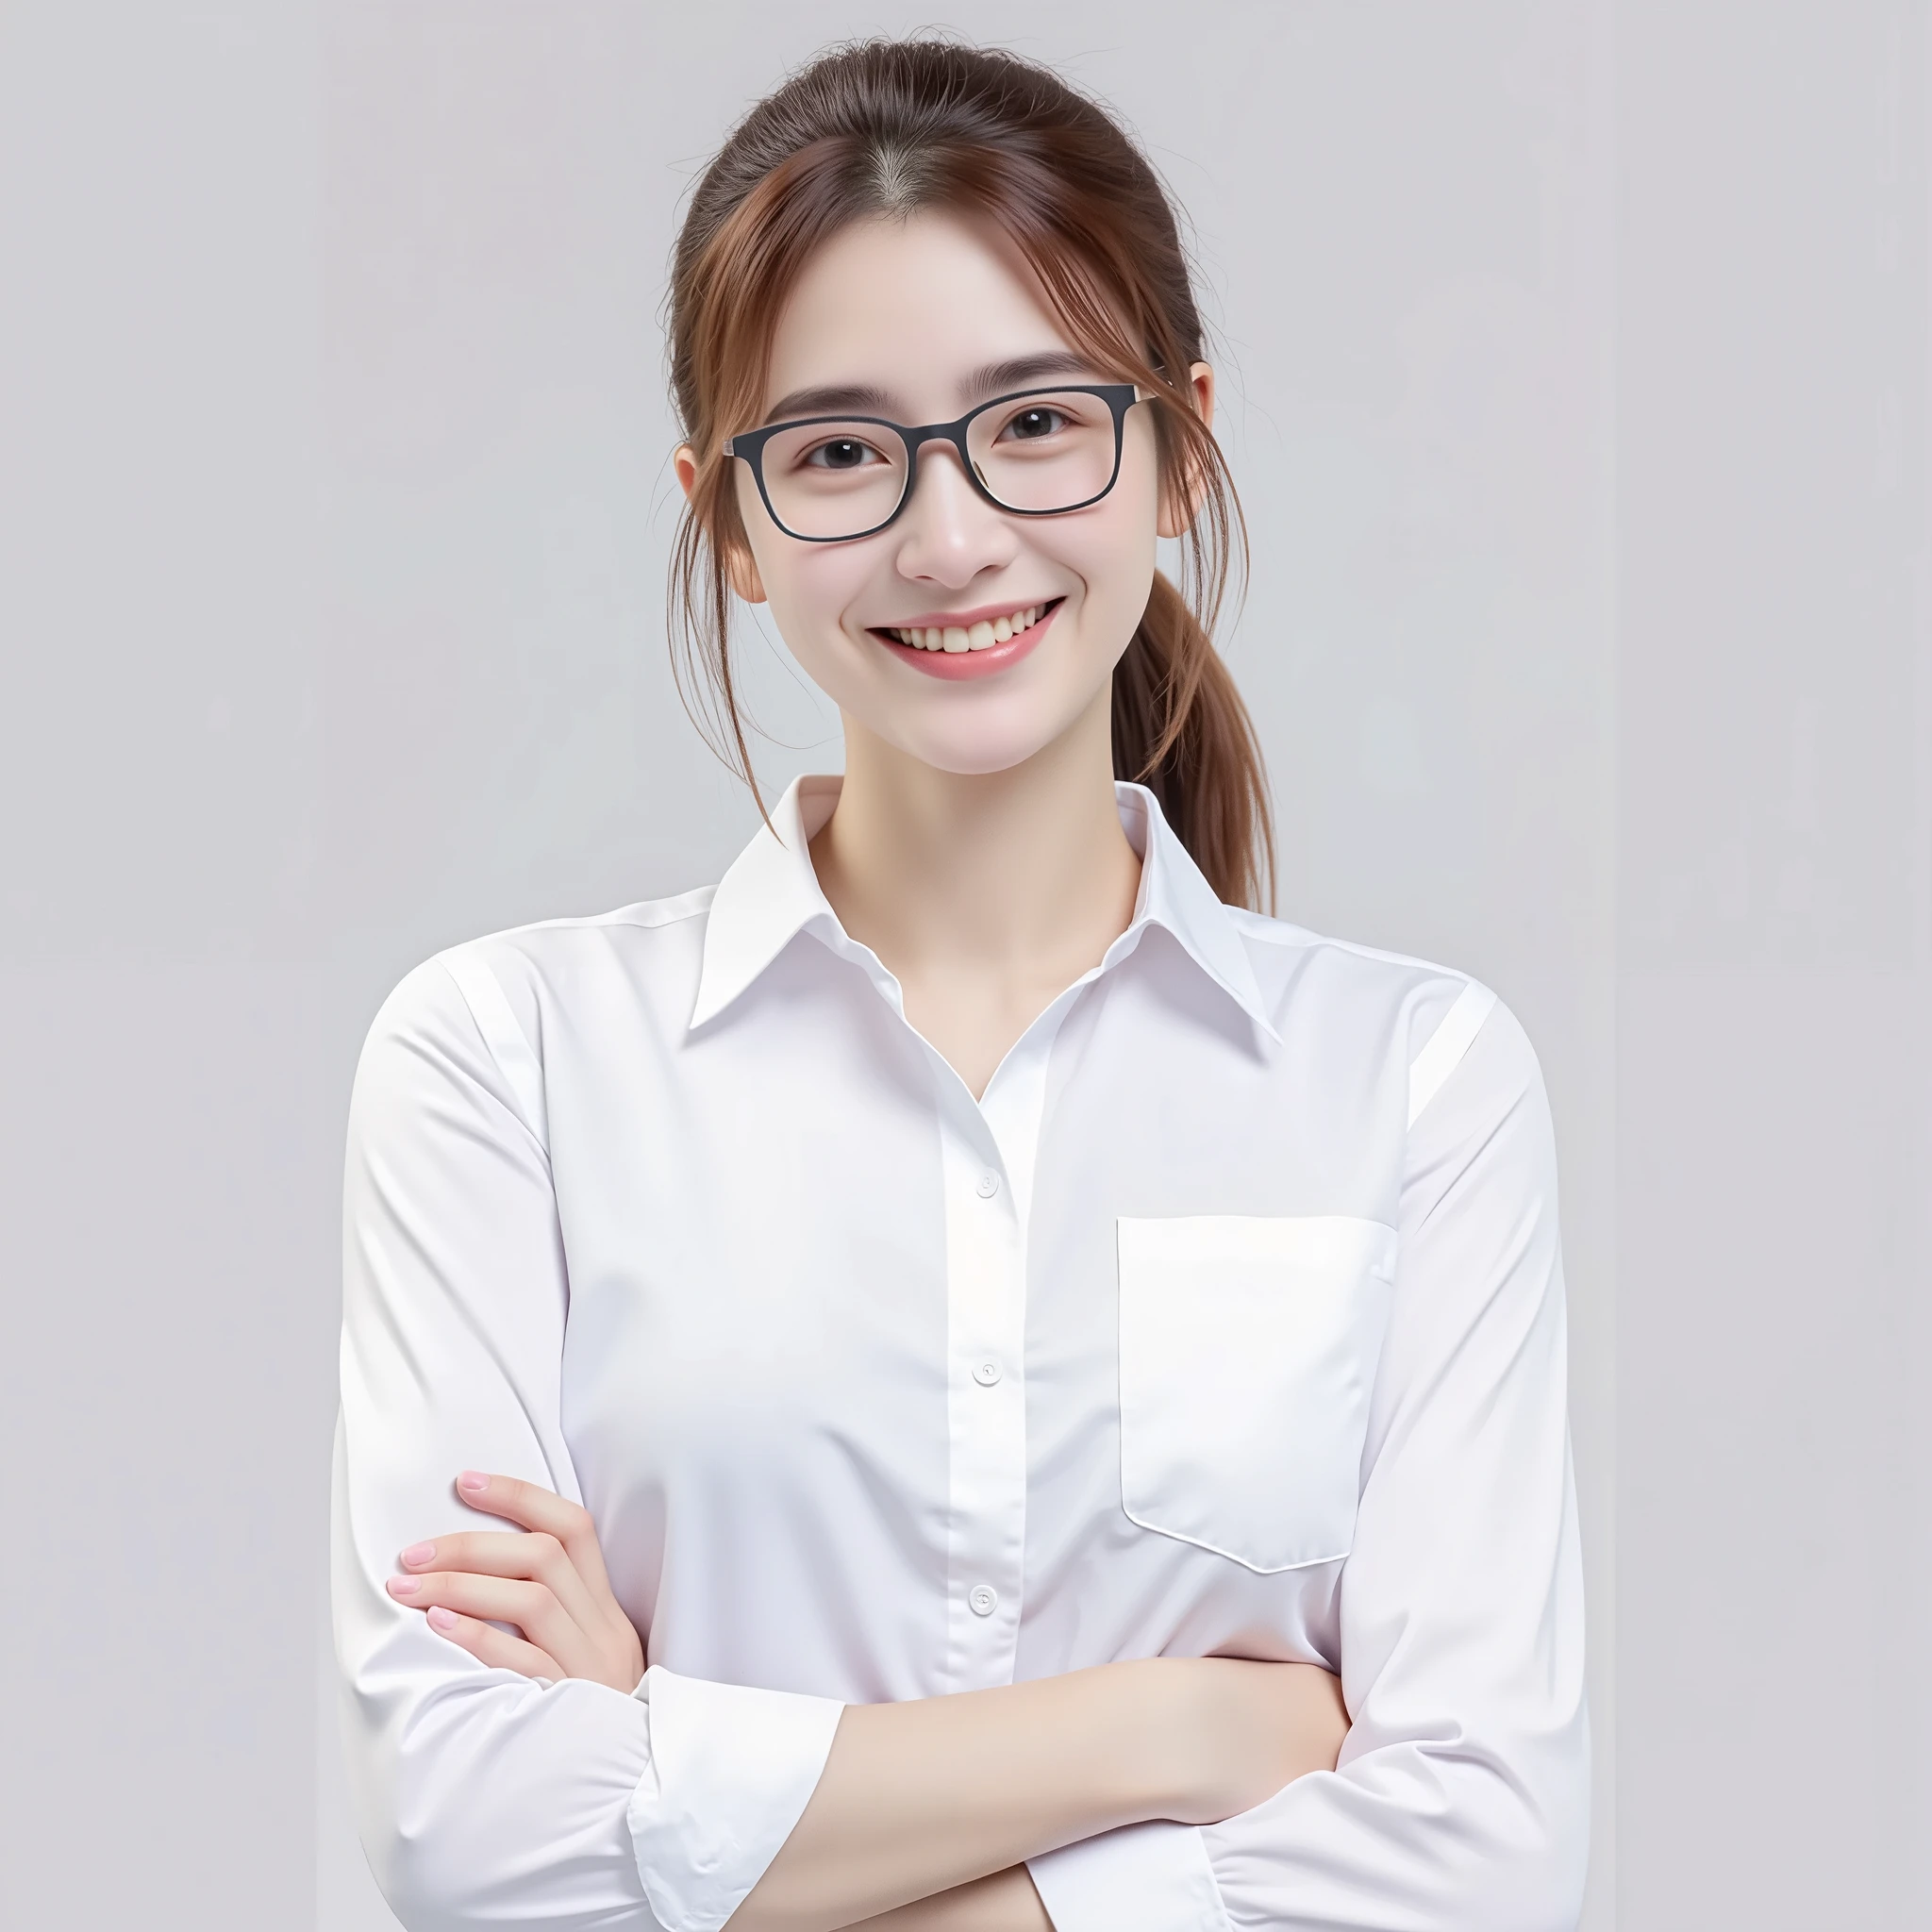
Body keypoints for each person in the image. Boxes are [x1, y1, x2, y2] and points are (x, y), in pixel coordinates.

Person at [330, 36, 1590, 1932]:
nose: (947, 534)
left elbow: (1484, 1863)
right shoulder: (506, 1063)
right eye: (839, 450)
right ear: (728, 522)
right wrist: (1187, 1731)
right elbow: (472, 1841)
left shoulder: (1412, 1081)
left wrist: (678, 1771)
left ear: (1175, 446)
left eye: (1034, 421)